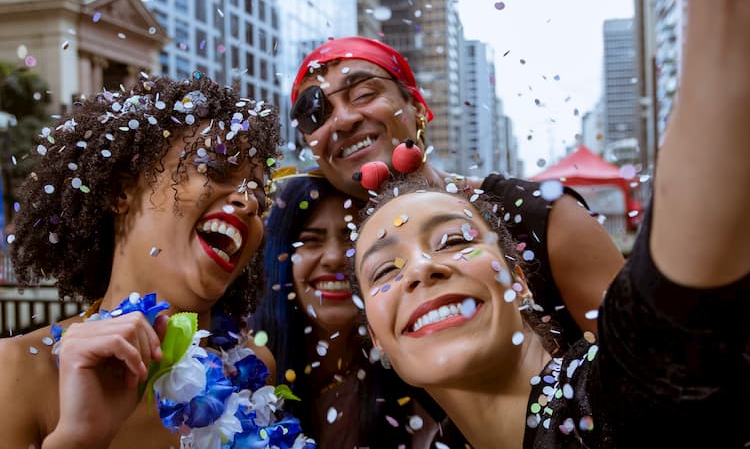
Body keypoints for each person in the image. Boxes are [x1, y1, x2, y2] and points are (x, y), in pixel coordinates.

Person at [352, 0, 750, 447]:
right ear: (376, 338)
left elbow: (670, 313)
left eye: (454, 240)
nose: (422, 269)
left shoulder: (616, 397)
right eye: (383, 270)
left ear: (518, 279)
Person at [0, 75, 295, 448]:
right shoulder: (16, 372)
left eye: (260, 199)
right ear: (121, 192)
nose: (249, 202)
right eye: (216, 170)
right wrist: (78, 438)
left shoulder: (254, 368)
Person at [290, 35, 623, 352]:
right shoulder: (333, 256)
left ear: (417, 106)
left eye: (363, 94)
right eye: (315, 114)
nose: (343, 120)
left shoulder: (543, 215)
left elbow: (649, 368)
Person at [254, 174, 433, 447]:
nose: (335, 257)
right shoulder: (238, 365)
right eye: (311, 240)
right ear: (280, 257)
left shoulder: (422, 378)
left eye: (351, 238)